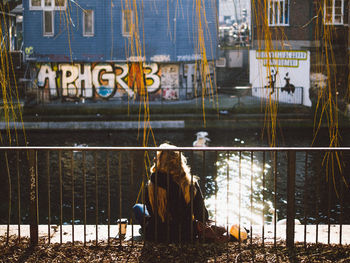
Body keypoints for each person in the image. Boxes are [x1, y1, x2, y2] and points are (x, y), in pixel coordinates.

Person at [133, 143, 209, 242]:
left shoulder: (152, 185)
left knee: (138, 207)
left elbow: (151, 212)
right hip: (186, 234)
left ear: (159, 161)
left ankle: (145, 230)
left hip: (157, 234)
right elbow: (203, 216)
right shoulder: (190, 184)